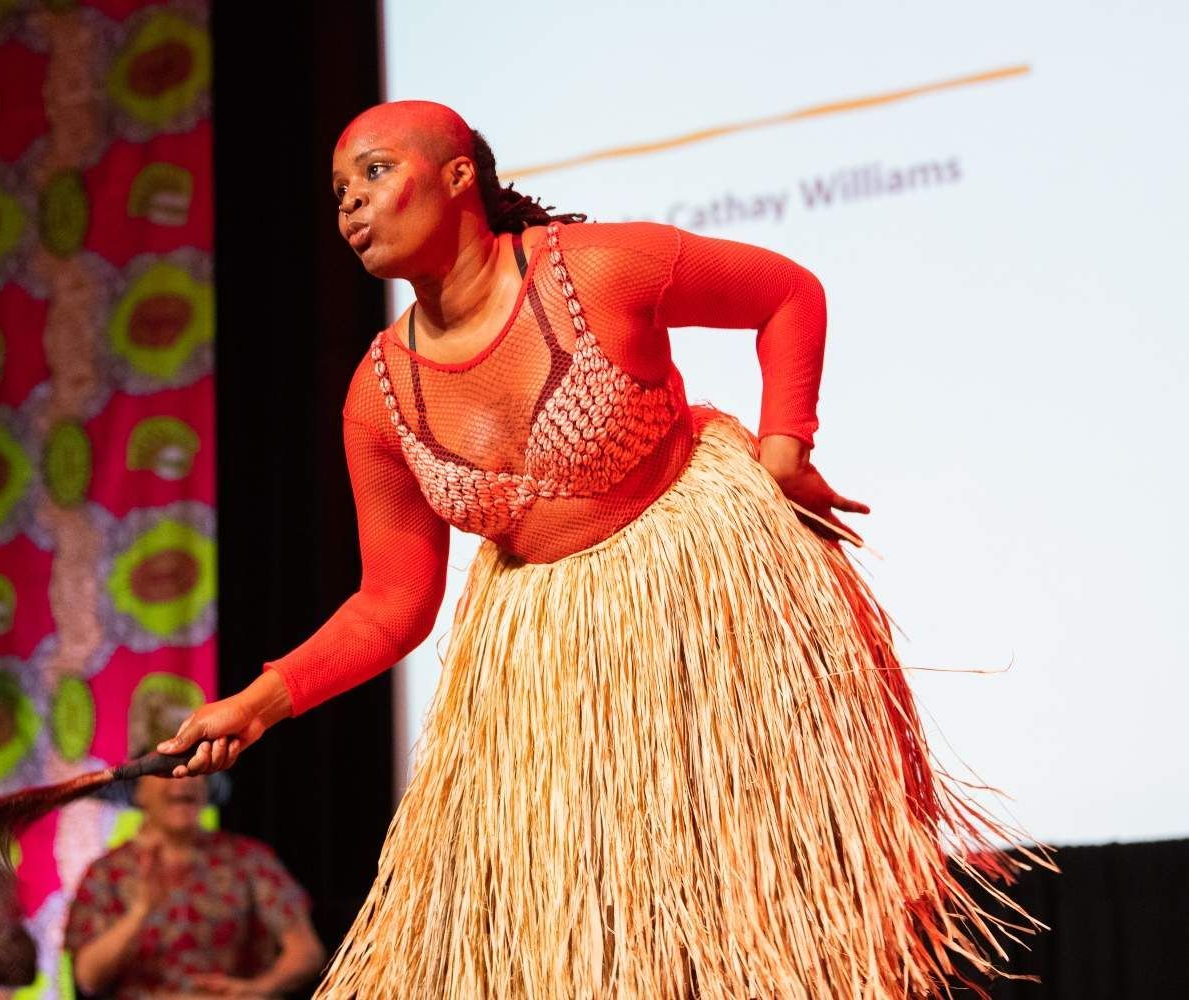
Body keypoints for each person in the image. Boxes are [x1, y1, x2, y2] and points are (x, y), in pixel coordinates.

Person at [157, 101, 1042, 997]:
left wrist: (784, 455)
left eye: (375, 173)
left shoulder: (601, 269)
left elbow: (786, 293)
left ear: (459, 177)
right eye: (339, 189)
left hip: (705, 603)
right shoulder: (379, 398)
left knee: (755, 919)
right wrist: (258, 704)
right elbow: (395, 603)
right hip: (555, 667)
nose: (350, 202)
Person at [66, 708, 324, 999]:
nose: (185, 779)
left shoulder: (249, 859)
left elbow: (306, 952)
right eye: (168, 771)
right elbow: (87, 977)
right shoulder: (107, 872)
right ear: (139, 792)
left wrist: (256, 990)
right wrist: (141, 911)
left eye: (194, 770)